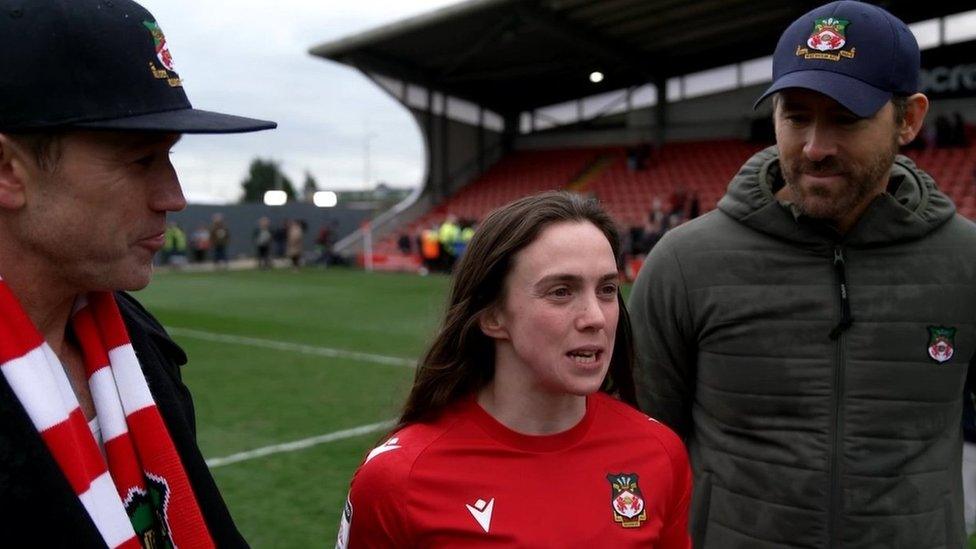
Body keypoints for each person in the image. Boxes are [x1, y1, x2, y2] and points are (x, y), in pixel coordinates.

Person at [628, 2, 976, 547]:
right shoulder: (683, 263)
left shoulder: (967, 263)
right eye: (796, 117)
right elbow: (636, 451)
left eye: (845, 119)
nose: (815, 147)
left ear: (908, 119)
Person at [0, 0, 275, 546]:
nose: (174, 197)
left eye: (169, 158)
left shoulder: (141, 341)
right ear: (8, 172)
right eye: (140, 160)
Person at [337, 191, 691, 548]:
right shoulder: (398, 479)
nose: (596, 318)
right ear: (493, 315)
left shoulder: (659, 452)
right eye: (561, 291)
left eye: (607, 289)